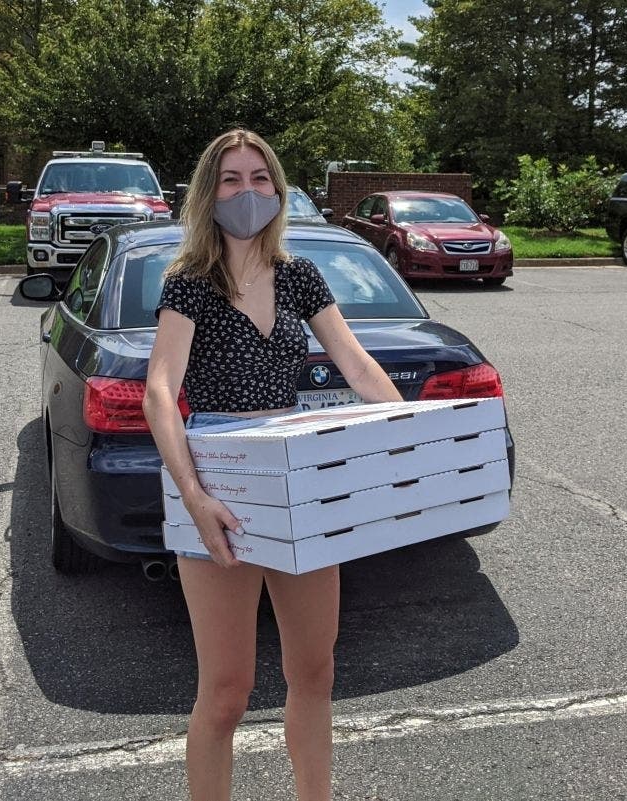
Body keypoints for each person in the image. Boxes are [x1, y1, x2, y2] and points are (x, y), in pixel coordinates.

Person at [143, 129, 402, 801]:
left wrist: (409, 434)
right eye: (231, 179)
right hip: (219, 489)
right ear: (209, 193)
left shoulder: (300, 276)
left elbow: (357, 365)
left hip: (296, 488)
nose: (247, 191)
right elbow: (160, 391)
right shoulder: (188, 284)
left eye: (260, 178)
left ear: (280, 192)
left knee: (315, 672)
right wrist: (194, 496)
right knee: (226, 691)